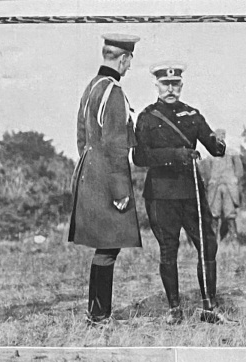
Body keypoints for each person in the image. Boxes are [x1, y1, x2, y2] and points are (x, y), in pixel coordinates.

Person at [134, 62, 231, 324]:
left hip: (192, 195)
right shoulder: (147, 118)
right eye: (165, 84)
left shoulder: (193, 115)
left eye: (175, 84)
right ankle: (174, 308)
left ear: (181, 86)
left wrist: (219, 142)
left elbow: (216, 149)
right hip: (160, 195)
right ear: (156, 85)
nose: (170, 89)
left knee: (207, 246)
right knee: (169, 250)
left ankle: (209, 308)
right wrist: (175, 155)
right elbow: (140, 156)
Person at [68, 34, 142, 326]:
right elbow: (115, 145)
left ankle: (96, 313)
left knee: (105, 246)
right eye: (129, 62)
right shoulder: (112, 92)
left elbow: (80, 137)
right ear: (123, 59)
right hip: (107, 178)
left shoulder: (91, 88)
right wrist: (120, 188)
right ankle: (99, 316)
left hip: (89, 171)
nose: (129, 68)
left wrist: (91, 168)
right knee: (109, 246)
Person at [200, 129, 243, 241]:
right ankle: (213, 239)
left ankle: (233, 239)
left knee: (230, 214)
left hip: (229, 186)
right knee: (214, 213)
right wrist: (209, 182)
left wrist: (235, 180)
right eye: (217, 138)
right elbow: (205, 172)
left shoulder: (231, 153)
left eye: (221, 137)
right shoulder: (209, 155)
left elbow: (239, 170)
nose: (220, 139)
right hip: (215, 187)